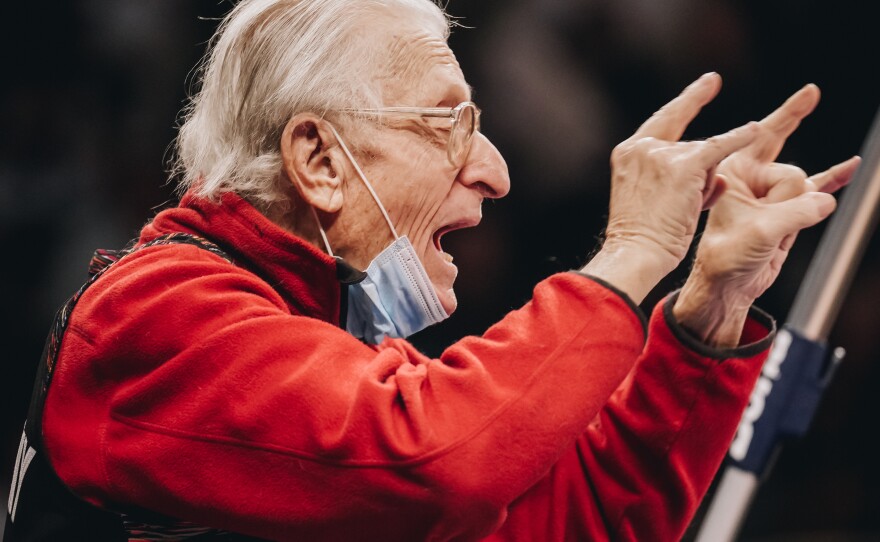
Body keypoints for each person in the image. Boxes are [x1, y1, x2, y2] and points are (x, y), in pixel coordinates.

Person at [4, 0, 860, 540]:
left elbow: (573, 523)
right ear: (319, 159)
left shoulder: (321, 345)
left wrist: (710, 309)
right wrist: (633, 249)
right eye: (447, 123)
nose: (495, 169)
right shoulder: (153, 314)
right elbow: (435, 462)